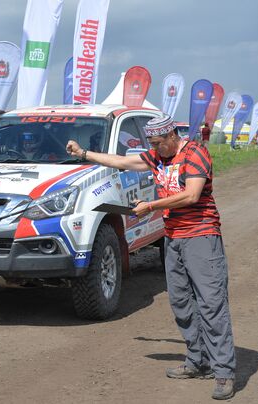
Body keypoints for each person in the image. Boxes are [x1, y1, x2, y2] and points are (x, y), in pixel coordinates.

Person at [65, 114, 236, 400]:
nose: (156, 149)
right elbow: (121, 162)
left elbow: (191, 195)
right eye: (152, 144)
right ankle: (197, 361)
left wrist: (151, 206)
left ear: (172, 136)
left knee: (211, 304)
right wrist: (84, 153)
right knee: (181, 302)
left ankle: (223, 373)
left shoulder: (195, 153)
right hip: (174, 238)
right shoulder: (157, 156)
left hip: (201, 237)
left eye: (159, 143)